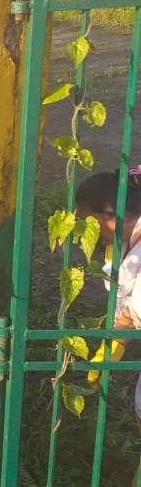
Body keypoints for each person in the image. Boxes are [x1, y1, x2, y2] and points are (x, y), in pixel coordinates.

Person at [76, 170, 141, 412]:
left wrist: (115, 342)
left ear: (110, 216)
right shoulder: (128, 240)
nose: (88, 231)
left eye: (90, 221)